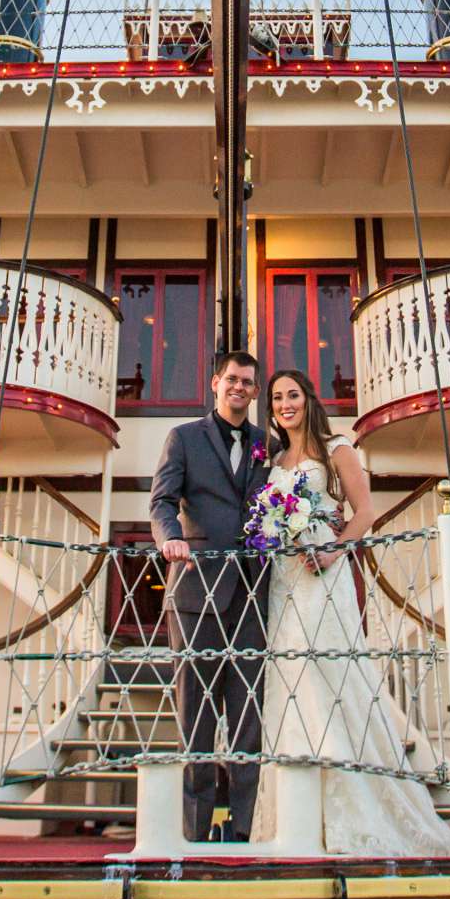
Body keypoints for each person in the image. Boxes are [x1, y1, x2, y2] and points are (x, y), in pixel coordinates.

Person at [252, 368, 450, 856]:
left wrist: (333, 551)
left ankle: (355, 804)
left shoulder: (335, 446)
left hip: (325, 569)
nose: (285, 404)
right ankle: (297, 813)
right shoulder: (274, 458)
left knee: (330, 673)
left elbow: (364, 512)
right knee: (290, 677)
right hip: (285, 574)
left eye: (293, 395)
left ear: (308, 398)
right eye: (277, 397)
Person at [148, 350, 271, 842]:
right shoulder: (182, 437)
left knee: (247, 719)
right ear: (215, 383)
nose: (239, 388)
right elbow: (161, 501)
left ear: (255, 391)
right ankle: (196, 834)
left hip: (252, 595)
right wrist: (168, 539)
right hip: (196, 592)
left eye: (248, 382)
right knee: (196, 719)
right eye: (231, 380)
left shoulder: (268, 444)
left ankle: (243, 831)